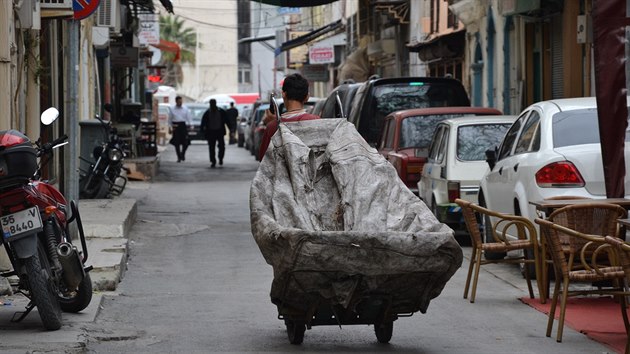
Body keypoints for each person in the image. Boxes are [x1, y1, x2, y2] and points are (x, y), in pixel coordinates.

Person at [258, 73, 319, 161]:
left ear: (283, 94)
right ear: (307, 97)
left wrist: (272, 125)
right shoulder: (316, 121)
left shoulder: (272, 127)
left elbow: (264, 161)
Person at [200, 99, 228, 168]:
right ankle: (213, 161)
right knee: (211, 147)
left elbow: (227, 120)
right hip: (211, 132)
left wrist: (231, 129)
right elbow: (203, 122)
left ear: (215, 103)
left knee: (221, 146)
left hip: (219, 131)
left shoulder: (221, 112)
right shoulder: (207, 113)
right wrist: (202, 131)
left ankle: (220, 158)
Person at [169, 96, 192, 162]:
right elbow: (169, 119)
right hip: (175, 126)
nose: (180, 103)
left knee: (186, 142)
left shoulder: (185, 108)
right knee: (177, 143)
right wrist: (170, 127)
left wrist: (190, 125)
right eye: (179, 102)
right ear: (176, 101)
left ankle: (183, 154)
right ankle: (179, 157)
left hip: (183, 125)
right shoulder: (172, 109)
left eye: (181, 101)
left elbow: (189, 117)